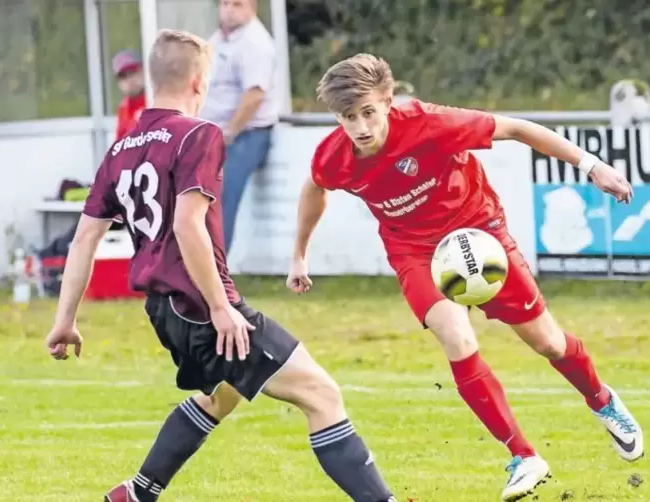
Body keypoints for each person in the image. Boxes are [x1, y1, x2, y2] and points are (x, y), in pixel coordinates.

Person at [43, 32, 396, 502]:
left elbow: (84, 238)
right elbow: (188, 225)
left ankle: (138, 493)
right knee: (321, 394)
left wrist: (64, 322)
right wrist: (220, 307)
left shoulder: (120, 150)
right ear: (198, 81)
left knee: (222, 394)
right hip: (199, 303)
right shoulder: (198, 134)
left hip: (163, 310)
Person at [286, 53, 643, 502]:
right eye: (348, 117)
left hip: (479, 234)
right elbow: (314, 188)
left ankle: (602, 400)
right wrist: (299, 255)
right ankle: (523, 455)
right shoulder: (334, 157)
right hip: (414, 252)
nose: (360, 127)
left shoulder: (431, 124)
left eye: (368, 113)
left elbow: (517, 128)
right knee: (456, 337)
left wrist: (592, 167)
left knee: (548, 343)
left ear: (388, 101)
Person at [200, 0, 279, 253]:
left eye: (237, 4)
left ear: (252, 7)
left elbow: (254, 94)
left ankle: (216, 271)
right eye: (224, 4)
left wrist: (229, 132)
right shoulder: (218, 39)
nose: (228, 10)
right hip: (215, 134)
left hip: (247, 134)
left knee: (222, 198)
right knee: (202, 198)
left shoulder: (254, 42)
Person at [113, 49, 147, 140]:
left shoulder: (155, 99)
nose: (129, 80)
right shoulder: (123, 108)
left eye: (133, 73)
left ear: (144, 72)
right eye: (123, 76)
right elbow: (118, 147)